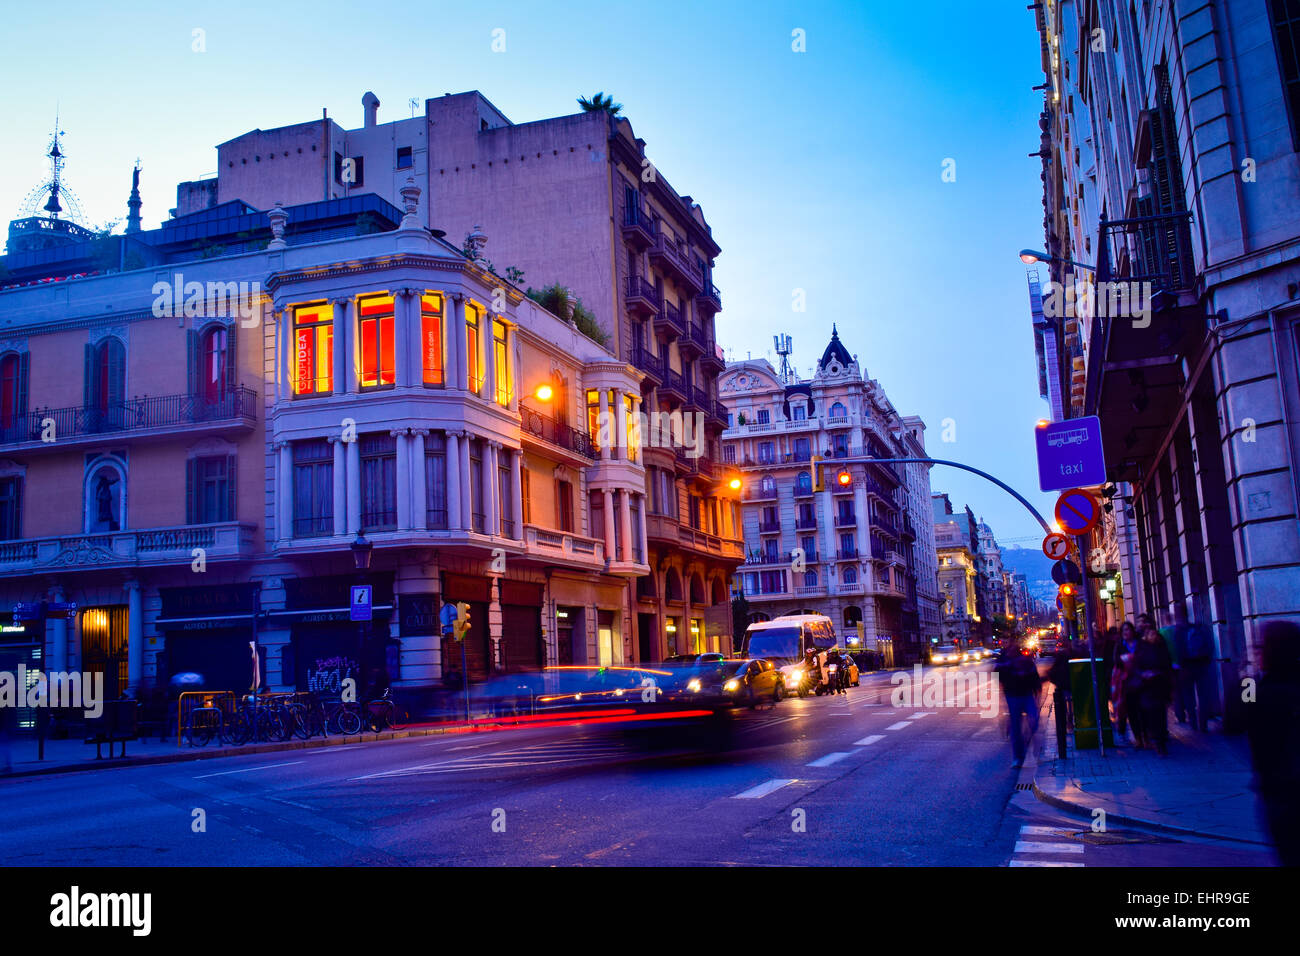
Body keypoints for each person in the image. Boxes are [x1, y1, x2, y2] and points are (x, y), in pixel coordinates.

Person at [1246, 621, 1300, 866]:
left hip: (1280, 790)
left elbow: (1235, 719)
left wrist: (1248, 678)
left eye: (1259, 648)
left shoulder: (1260, 690)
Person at [997, 639, 1041, 769]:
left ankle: (1025, 743)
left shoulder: (1025, 661)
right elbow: (998, 674)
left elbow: (1034, 676)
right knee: (1016, 727)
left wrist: (1037, 689)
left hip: (1026, 694)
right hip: (1013, 696)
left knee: (1033, 720)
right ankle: (1018, 757)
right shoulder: (1004, 662)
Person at [1135, 623, 1174, 755]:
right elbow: (1137, 665)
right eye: (1151, 634)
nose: (1154, 636)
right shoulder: (1142, 648)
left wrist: (1163, 675)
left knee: (1161, 713)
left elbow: (1167, 665)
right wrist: (1143, 674)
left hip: (1160, 685)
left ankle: (1161, 739)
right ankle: (1157, 739)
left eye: (1155, 634)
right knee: (1152, 714)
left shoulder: (1161, 647)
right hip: (1147, 687)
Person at [1175, 616, 1216, 731]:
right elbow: (1210, 645)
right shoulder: (1201, 628)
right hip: (1201, 665)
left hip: (1186, 667)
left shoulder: (1179, 631)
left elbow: (1178, 650)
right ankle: (1203, 724)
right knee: (1203, 695)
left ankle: (1193, 723)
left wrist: (1180, 664)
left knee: (1189, 696)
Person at [1111, 621, 1142, 744]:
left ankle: (1143, 736)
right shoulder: (1119, 645)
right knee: (1128, 710)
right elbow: (1116, 660)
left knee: (1141, 710)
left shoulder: (1139, 643)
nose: (1126, 633)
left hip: (1140, 679)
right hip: (1125, 682)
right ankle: (1136, 737)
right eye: (1124, 631)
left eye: (1128, 630)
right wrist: (1127, 660)